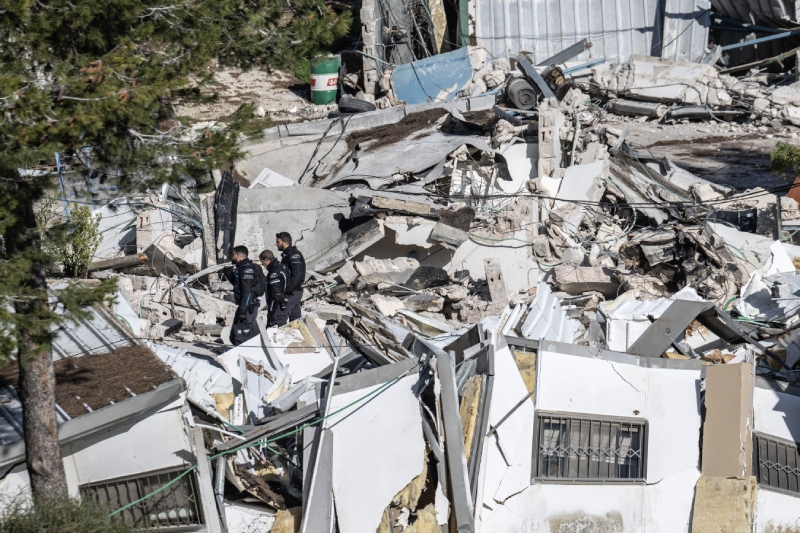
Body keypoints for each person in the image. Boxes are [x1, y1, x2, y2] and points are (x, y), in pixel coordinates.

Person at [227, 245, 260, 345]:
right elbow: (239, 285)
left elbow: (247, 291)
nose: (231, 257)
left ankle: (246, 353)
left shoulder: (246, 269)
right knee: (235, 335)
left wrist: (243, 309)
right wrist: (229, 275)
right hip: (244, 305)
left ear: (238, 255)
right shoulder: (241, 268)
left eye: (232, 255)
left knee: (243, 336)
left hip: (248, 306)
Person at [276, 232, 306, 322]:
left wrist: (287, 291)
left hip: (293, 293)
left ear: (285, 243)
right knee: (295, 320)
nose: (276, 244)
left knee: (280, 318)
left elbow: (297, 275)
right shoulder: (287, 254)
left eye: (278, 242)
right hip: (294, 292)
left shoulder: (293, 255)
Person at [259, 249, 289, 328]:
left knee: (273, 330)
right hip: (285, 303)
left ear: (266, 260)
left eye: (262, 262)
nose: (262, 265)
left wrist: (271, 309)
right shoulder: (282, 266)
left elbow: (276, 294)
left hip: (278, 307)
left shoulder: (274, 273)